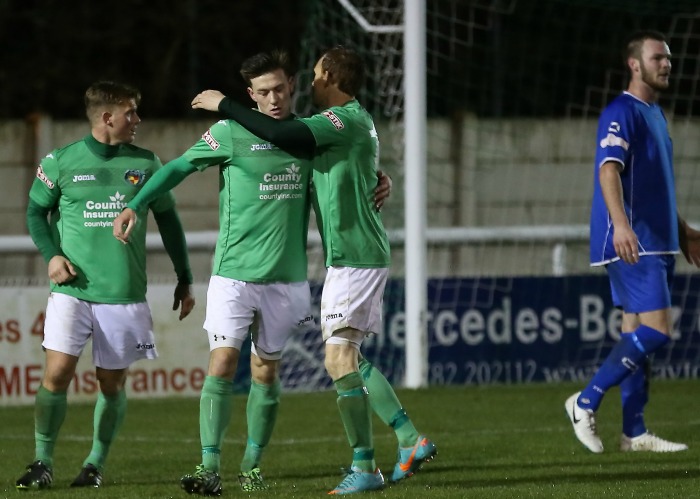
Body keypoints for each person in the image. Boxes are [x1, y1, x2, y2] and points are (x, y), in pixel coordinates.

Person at [114, 49, 432, 496]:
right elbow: (178, 168)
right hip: (234, 274)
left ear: (294, 86)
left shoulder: (305, 136)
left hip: (287, 279)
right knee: (223, 362)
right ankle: (209, 467)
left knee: (269, 371)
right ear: (251, 95)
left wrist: (379, 179)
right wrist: (134, 203)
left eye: (280, 88)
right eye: (263, 92)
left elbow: (348, 166)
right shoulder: (229, 132)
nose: (274, 97)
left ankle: (252, 466)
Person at [15, 81, 195, 491]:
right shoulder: (61, 161)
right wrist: (52, 256)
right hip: (72, 291)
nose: (138, 120)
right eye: (131, 113)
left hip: (123, 293)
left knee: (110, 382)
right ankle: (42, 462)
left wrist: (184, 276)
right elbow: (34, 213)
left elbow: (168, 221)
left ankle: (94, 463)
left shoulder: (147, 163)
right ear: (107, 117)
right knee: (56, 373)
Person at [565, 30, 700, 454]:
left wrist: (685, 232)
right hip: (634, 243)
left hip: (659, 242)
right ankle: (584, 401)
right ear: (635, 64)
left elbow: (657, 187)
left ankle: (634, 432)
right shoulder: (621, 110)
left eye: (669, 59)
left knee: (636, 333)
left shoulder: (655, 115)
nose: (667, 64)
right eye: (658, 57)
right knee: (658, 331)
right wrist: (621, 226)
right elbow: (609, 170)